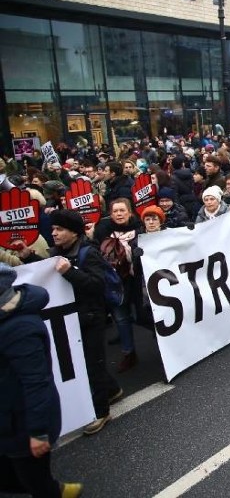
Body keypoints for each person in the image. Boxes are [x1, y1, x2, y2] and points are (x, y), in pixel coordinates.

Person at [15, 210, 123, 436]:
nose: (53, 233)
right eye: (53, 229)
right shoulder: (57, 253)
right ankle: (112, 389)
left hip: (91, 317)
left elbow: (96, 285)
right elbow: (46, 273)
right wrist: (27, 256)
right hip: (74, 316)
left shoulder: (88, 253)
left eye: (59, 229)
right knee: (87, 360)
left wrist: (70, 272)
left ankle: (101, 412)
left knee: (91, 363)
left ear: (73, 233)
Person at [0, 263, 83, 498]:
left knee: (34, 481)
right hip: (8, 421)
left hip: (20, 425)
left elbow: (37, 383)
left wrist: (38, 433)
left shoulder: (19, 328)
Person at [91, 198, 142, 373]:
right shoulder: (103, 231)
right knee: (120, 317)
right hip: (115, 282)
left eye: (122, 210)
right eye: (115, 211)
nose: (119, 214)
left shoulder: (140, 229)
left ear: (130, 212)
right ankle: (129, 353)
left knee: (143, 313)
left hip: (138, 280)